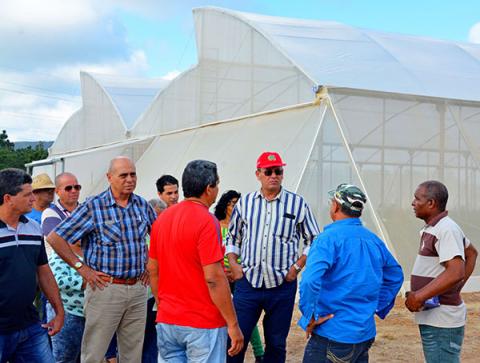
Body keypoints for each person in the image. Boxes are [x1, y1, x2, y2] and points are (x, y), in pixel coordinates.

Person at [47, 156, 157, 363]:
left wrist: (149, 265)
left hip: (137, 289)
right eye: (123, 175)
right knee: (94, 353)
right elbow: (55, 237)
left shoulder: (142, 205)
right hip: (106, 289)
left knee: (133, 353)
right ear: (109, 177)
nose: (130, 179)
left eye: (133, 174)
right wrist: (82, 268)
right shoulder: (94, 206)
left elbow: (160, 238)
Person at [226, 151, 320, 363]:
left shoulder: (297, 204)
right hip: (248, 284)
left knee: (276, 343)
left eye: (278, 171)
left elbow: (314, 239)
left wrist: (296, 267)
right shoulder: (245, 203)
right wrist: (234, 264)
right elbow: (232, 237)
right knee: (236, 341)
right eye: (268, 171)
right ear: (258, 174)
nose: (273, 175)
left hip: (282, 286)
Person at [148, 160, 244, 362]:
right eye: (217, 184)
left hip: (168, 320)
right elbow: (214, 278)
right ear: (209, 188)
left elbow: (153, 269)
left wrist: (163, 304)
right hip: (202, 322)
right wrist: (233, 324)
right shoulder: (207, 221)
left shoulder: (162, 219)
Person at [299, 183, 404, 363]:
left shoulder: (327, 239)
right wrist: (376, 306)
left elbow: (309, 280)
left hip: (333, 333)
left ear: (336, 206)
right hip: (364, 333)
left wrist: (310, 316)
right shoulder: (373, 240)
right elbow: (395, 275)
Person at [406, 180, 478, 363]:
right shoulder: (435, 228)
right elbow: (471, 253)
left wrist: (419, 296)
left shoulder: (446, 229)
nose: (412, 203)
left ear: (431, 203)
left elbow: (455, 272)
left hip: (442, 321)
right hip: (435, 318)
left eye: (417, 198)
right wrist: (453, 289)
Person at [0, 168, 64, 362]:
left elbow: (43, 271)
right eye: (27, 194)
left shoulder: (34, 228)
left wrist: (58, 311)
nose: (33, 199)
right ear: (8, 198)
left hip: (29, 324)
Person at [214, 190, 265, 363]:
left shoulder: (245, 225)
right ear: (225, 205)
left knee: (244, 318)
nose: (234, 206)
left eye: (237, 203)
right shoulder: (217, 225)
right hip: (222, 276)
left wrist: (239, 270)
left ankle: (259, 352)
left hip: (242, 275)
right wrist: (223, 272)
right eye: (231, 203)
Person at [41, 172, 84, 363]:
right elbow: (62, 240)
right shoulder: (50, 213)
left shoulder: (83, 209)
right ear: (58, 191)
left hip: (83, 296)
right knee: (63, 355)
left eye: (77, 187)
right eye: (68, 188)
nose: (74, 191)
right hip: (63, 286)